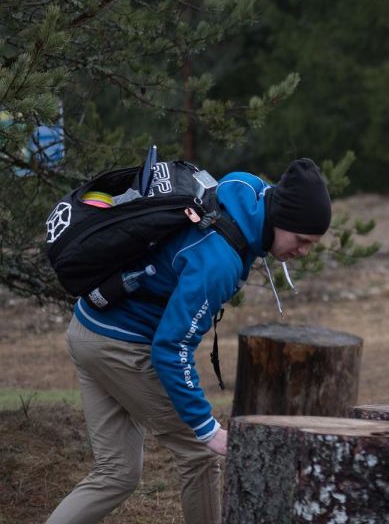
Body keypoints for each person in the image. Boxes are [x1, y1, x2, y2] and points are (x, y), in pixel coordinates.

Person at [46, 157, 333, 524]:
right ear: (281, 219)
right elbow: (171, 349)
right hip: (118, 345)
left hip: (87, 328)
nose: (303, 252)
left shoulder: (247, 189)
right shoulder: (219, 262)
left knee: (116, 473)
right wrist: (205, 428)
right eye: (302, 240)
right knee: (199, 454)